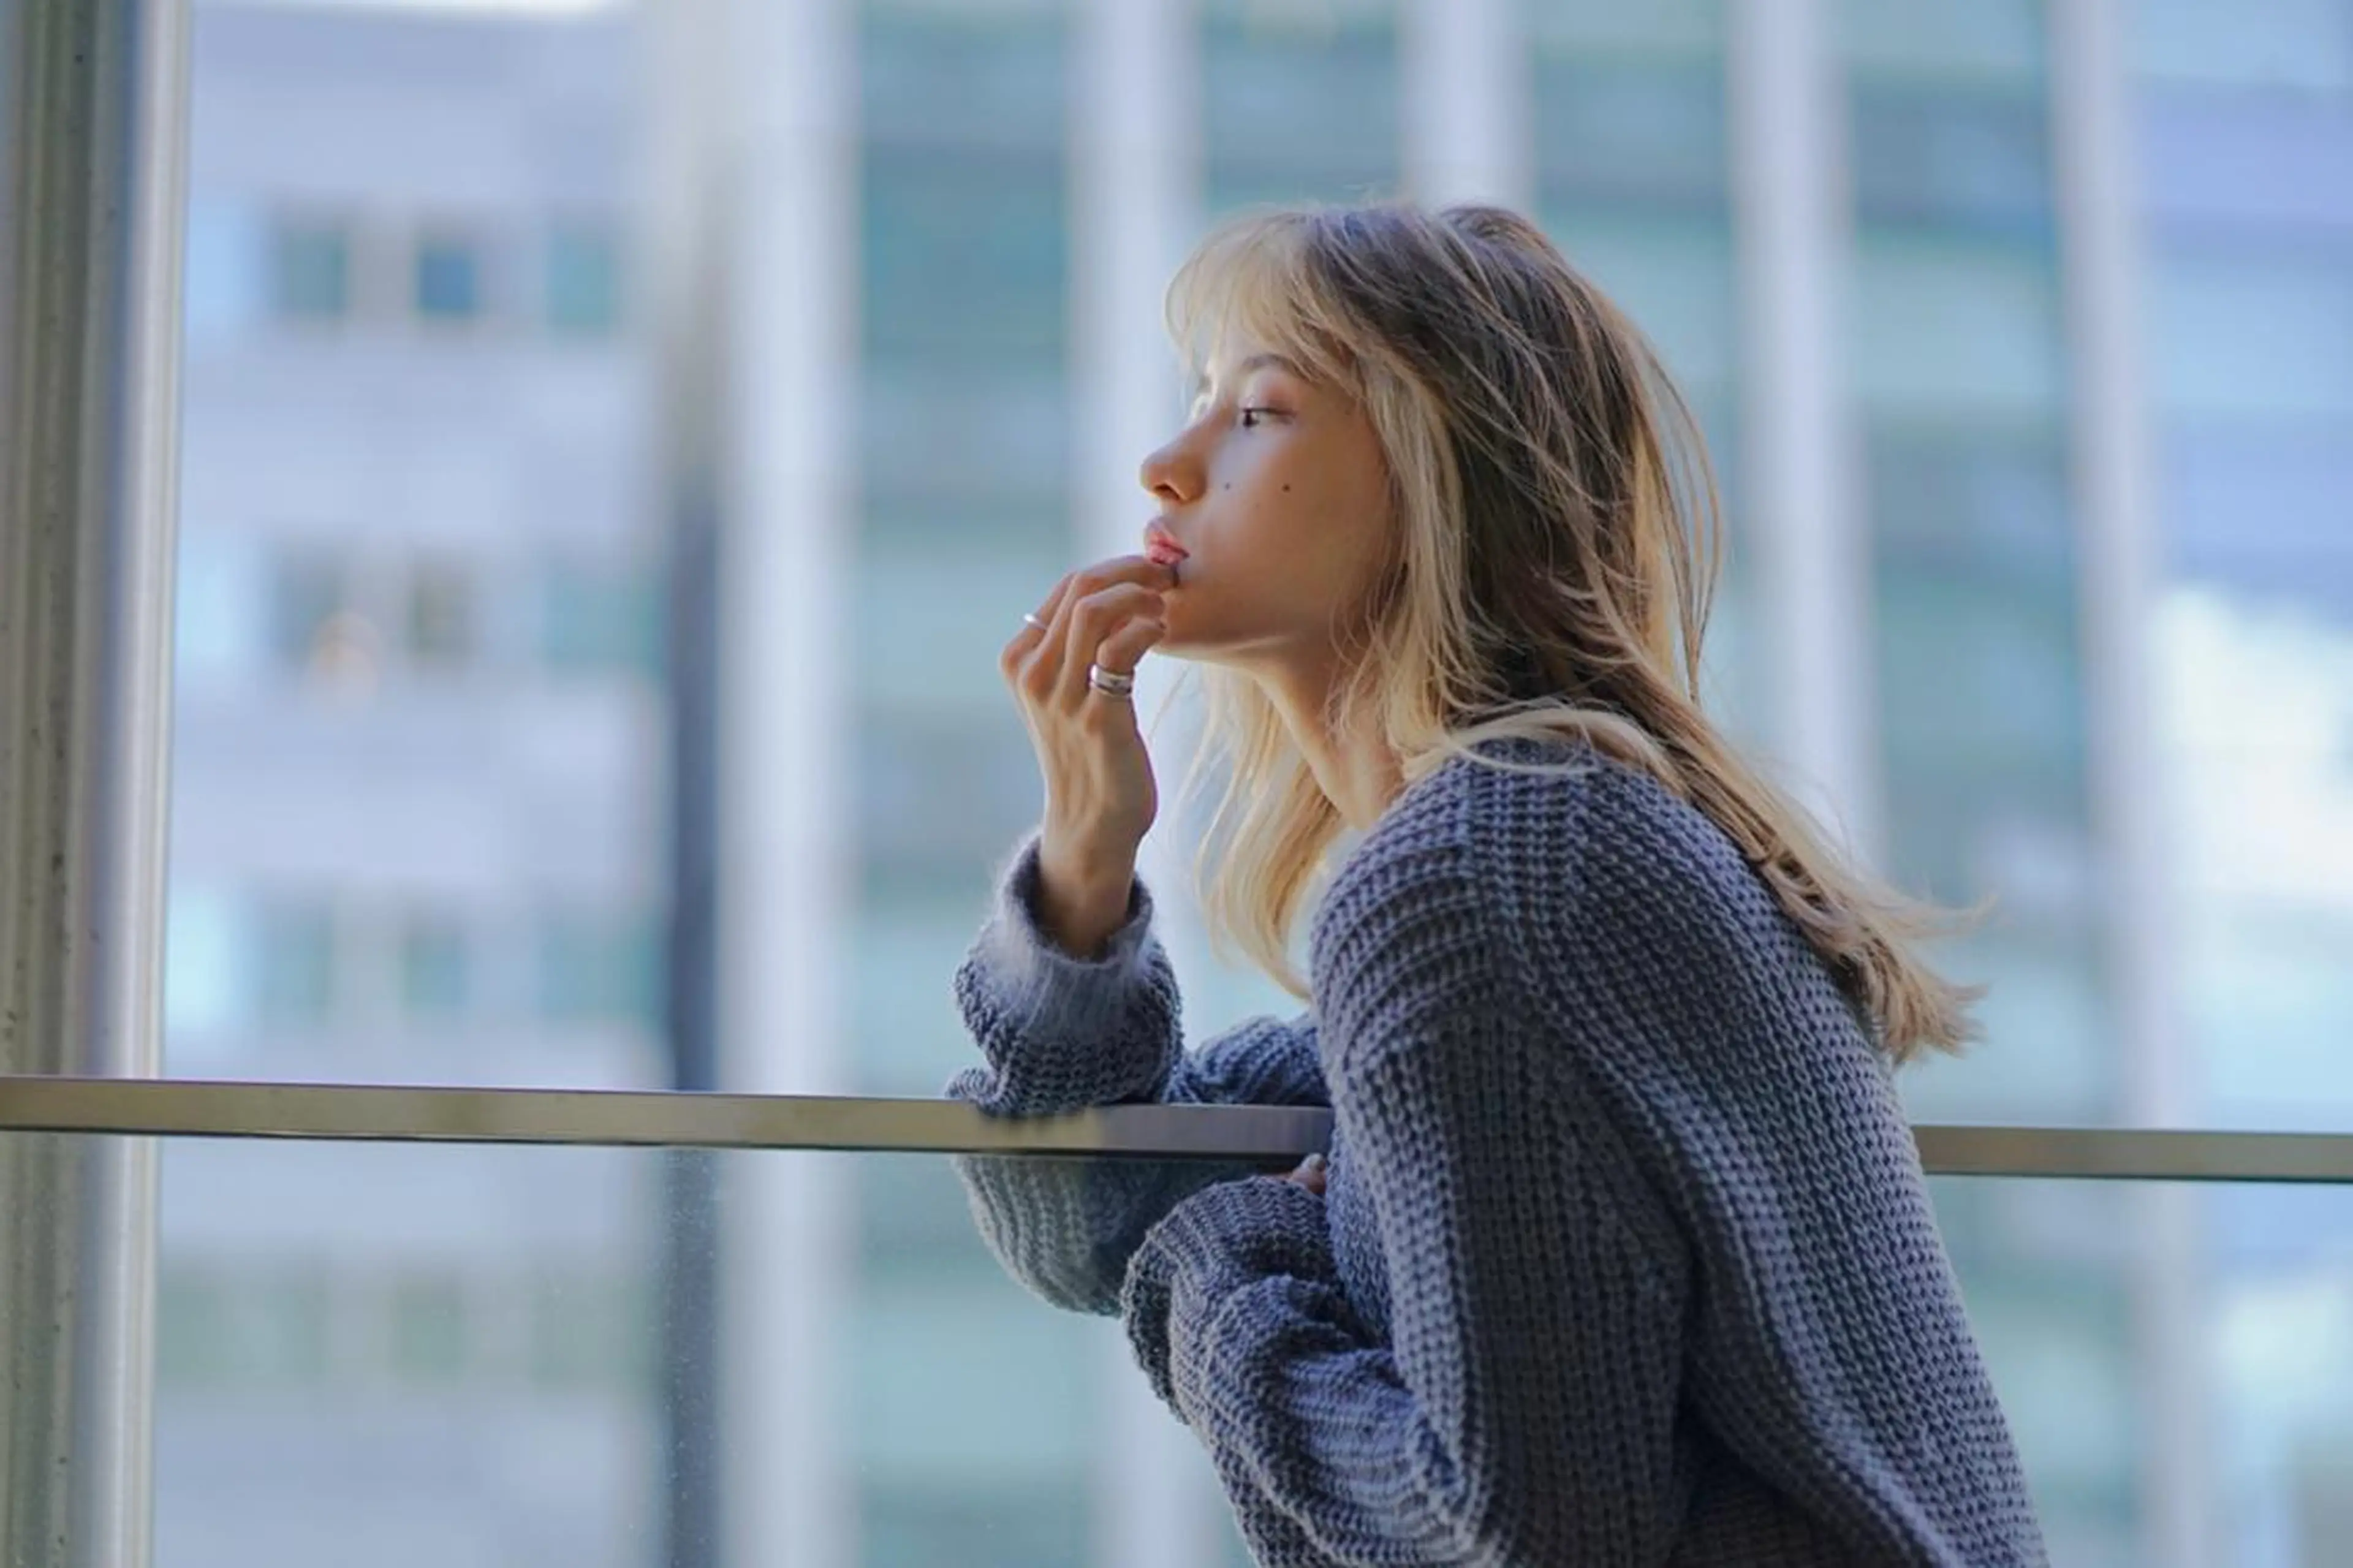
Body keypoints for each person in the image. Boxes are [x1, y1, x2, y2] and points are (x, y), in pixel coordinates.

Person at [944, 201, 2048, 1566]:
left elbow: (1514, 1531)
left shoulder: (1482, 881)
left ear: (1432, 471)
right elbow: (1089, 1220)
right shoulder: (1537, 847)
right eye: (1198, 403)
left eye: (1258, 412)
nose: (1166, 467)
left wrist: (1227, 1275)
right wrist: (1083, 864)